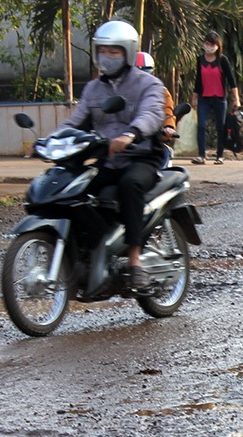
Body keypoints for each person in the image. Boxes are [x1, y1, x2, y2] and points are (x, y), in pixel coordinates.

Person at [62, 20, 166, 289]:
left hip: (142, 156)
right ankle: (93, 247)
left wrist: (131, 134)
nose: (107, 58)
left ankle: (134, 262)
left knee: (129, 185)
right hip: (109, 159)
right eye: (103, 52)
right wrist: (50, 140)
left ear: (128, 52)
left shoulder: (148, 84)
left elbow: (152, 114)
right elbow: (76, 122)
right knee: (73, 190)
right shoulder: (93, 88)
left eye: (114, 52)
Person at [190, 31, 239, 165]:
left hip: (219, 98)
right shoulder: (200, 60)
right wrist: (194, 98)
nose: (209, 46)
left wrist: (236, 99)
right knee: (201, 126)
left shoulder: (222, 60)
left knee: (220, 127)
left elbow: (231, 80)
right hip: (204, 98)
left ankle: (220, 155)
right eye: (207, 43)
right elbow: (198, 81)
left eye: (212, 44)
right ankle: (201, 155)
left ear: (217, 45)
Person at [136, 51, 178, 144]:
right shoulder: (123, 91)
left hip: (153, 141)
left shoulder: (161, 91)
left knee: (165, 154)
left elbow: (168, 111)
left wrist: (169, 127)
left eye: (147, 72)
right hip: (127, 140)